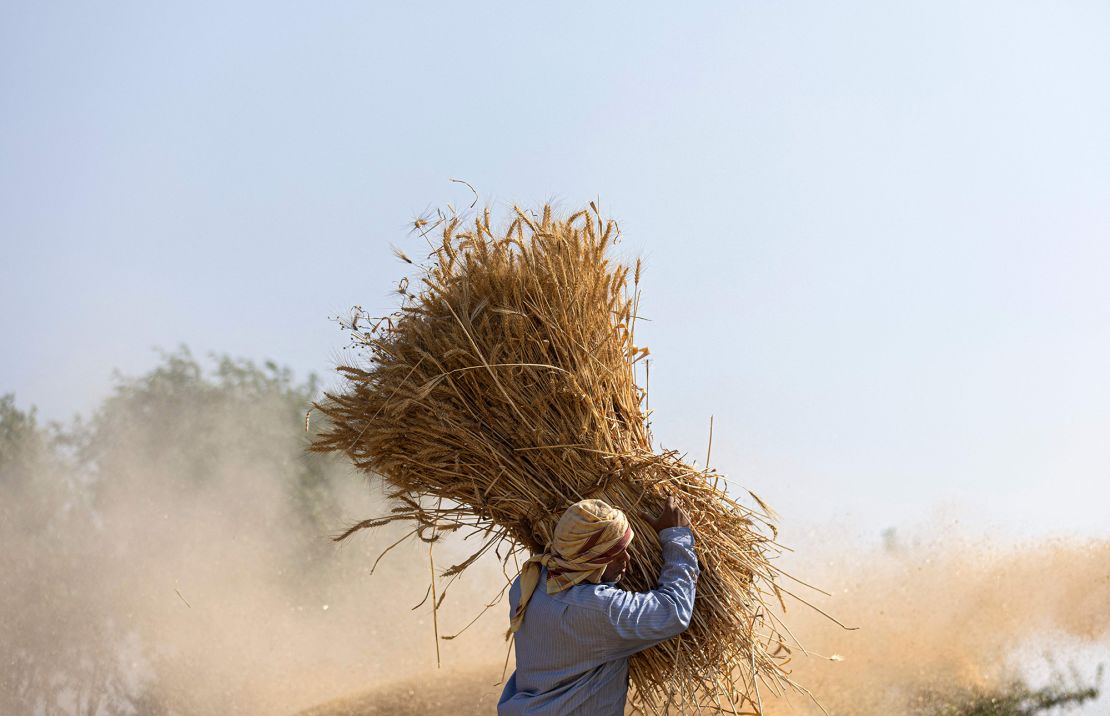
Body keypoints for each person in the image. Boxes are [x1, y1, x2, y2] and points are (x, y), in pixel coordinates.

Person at [497, 495, 698, 715]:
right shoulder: (598, 610)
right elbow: (674, 611)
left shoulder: (528, 581)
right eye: (613, 552)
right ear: (588, 558)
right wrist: (677, 536)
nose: (627, 559)